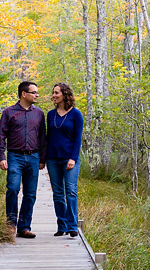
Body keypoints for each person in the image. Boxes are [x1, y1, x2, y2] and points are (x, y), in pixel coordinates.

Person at [0, 81, 47, 239]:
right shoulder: (9, 112)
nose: (37, 95)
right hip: (14, 156)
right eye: (34, 92)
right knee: (12, 188)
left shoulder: (39, 113)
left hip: (33, 157)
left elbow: (42, 138)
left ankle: (24, 227)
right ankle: (10, 225)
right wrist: (1, 157)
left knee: (30, 194)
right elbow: (0, 137)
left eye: (37, 92)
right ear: (24, 94)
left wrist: (42, 159)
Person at [46, 83, 84, 238]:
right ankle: (61, 225)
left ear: (65, 94)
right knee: (57, 194)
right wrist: (44, 157)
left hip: (70, 159)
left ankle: (72, 226)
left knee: (71, 191)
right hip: (52, 159)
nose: (54, 95)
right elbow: (48, 137)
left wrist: (73, 158)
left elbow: (78, 138)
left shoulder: (76, 114)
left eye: (57, 93)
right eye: (53, 93)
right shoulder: (50, 114)